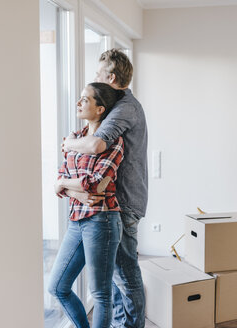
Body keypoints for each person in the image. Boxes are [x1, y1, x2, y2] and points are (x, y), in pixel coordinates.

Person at [63, 49, 148, 328]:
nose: (94, 79)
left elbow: (96, 145)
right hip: (114, 202)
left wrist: (66, 143)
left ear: (111, 77)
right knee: (116, 277)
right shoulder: (120, 106)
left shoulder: (125, 108)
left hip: (122, 203)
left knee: (125, 276)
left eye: (98, 74)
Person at [48, 82, 126, 328]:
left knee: (101, 293)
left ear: (100, 108)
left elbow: (96, 186)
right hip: (76, 219)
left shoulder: (113, 142)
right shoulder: (75, 138)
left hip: (102, 220)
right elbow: (59, 181)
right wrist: (71, 187)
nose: (78, 103)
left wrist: (67, 185)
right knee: (58, 286)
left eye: (85, 99)